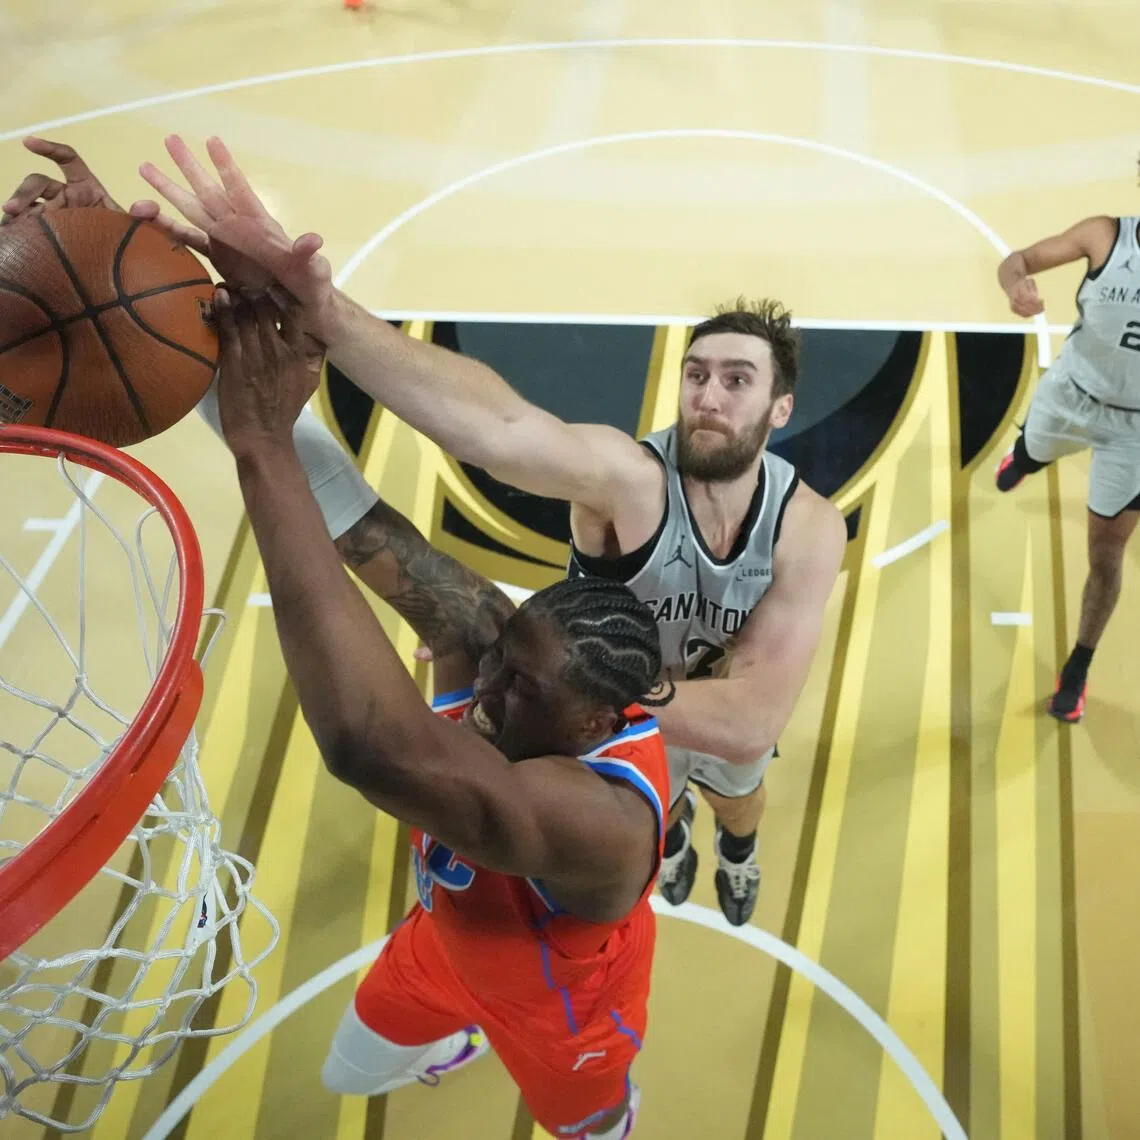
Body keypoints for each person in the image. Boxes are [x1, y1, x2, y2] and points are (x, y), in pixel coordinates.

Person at [132, 134, 848, 927]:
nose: (709, 395)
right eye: (698, 373)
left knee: (737, 791)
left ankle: (738, 853)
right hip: (598, 726)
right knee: (659, 816)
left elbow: (750, 722)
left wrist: (585, 687)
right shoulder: (628, 478)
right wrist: (325, 312)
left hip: (627, 701)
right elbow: (500, 428)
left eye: (738, 380)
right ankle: (676, 843)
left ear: (782, 410)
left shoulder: (808, 528)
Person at [213, 291, 671, 1138]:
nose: (487, 691)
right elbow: (359, 523)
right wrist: (206, 357)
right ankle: (452, 1032)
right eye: (501, 657)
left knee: (589, 1130)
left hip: (564, 1019)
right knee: (347, 1073)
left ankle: (613, 1112)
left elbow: (370, 746)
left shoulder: (596, 823)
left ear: (591, 726)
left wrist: (260, 445)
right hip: (445, 947)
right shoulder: (520, 658)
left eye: (521, 691)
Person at [995, 210, 1140, 722]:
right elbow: (1015, 261)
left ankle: (1079, 662)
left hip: (1135, 435)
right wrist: (1017, 288)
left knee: (1106, 556)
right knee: (1033, 450)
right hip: (1071, 398)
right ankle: (1028, 457)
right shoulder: (1106, 235)